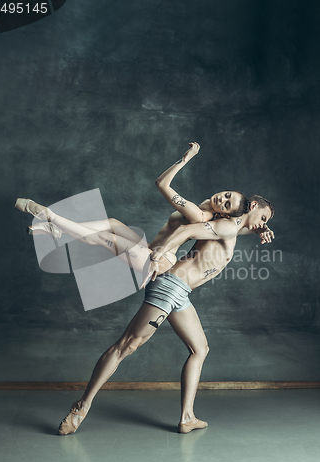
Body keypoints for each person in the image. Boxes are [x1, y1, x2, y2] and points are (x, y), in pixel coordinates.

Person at [57, 194, 274, 435]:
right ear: (253, 206)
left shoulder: (234, 226)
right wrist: (160, 254)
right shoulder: (227, 225)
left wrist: (260, 227)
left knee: (200, 349)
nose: (262, 223)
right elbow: (187, 232)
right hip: (170, 287)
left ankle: (187, 417)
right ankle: (81, 406)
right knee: (126, 346)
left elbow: (241, 227)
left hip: (180, 291)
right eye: (263, 217)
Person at [15, 143, 274, 278]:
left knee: (103, 238)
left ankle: (49, 216)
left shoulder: (198, 214)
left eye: (227, 204)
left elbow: (161, 184)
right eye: (227, 195)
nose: (223, 199)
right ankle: (51, 227)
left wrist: (185, 160)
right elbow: (234, 231)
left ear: (225, 214)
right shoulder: (210, 210)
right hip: (149, 251)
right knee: (113, 223)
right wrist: (259, 229)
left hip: (157, 262)